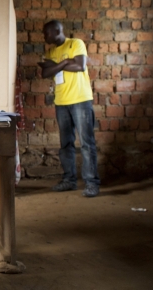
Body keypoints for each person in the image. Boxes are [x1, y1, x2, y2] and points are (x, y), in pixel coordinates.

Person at [38, 20, 100, 197]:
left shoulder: (75, 43)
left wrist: (58, 66)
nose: (44, 37)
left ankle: (92, 183)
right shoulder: (50, 51)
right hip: (61, 102)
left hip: (80, 100)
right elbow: (45, 73)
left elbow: (80, 66)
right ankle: (69, 180)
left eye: (46, 33)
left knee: (87, 143)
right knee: (66, 144)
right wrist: (65, 62)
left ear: (57, 31)